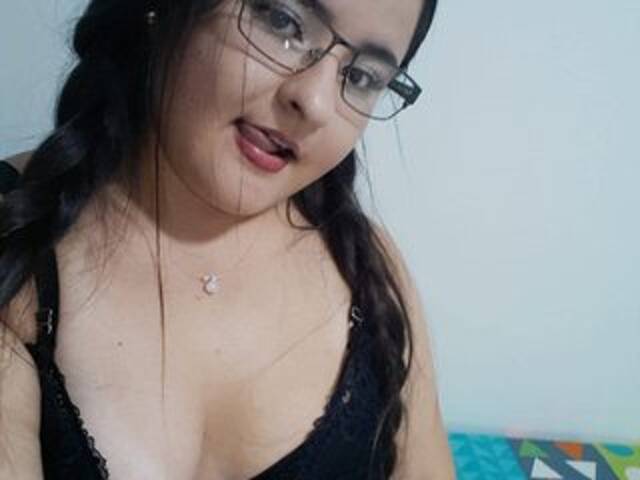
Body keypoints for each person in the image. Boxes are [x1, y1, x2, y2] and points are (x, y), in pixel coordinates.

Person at [0, 0, 455, 478]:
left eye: (362, 76)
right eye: (283, 22)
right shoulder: (17, 241)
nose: (316, 103)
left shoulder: (371, 273)